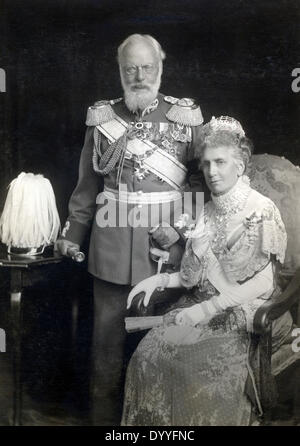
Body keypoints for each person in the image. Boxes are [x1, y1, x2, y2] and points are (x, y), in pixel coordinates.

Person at [55, 34, 204, 425]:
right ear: (120, 70)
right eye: (130, 68)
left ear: (161, 66)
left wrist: (178, 229)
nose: (139, 76)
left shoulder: (184, 117)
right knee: (106, 348)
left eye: (147, 67)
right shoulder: (103, 119)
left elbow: (202, 186)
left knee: (164, 346)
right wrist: (71, 235)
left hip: (166, 252)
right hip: (111, 251)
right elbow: (87, 189)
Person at [123, 116, 293, 426]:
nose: (212, 171)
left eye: (221, 162)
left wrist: (207, 309)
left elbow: (265, 280)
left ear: (239, 165)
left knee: (195, 371)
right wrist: (158, 279)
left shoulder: (262, 208)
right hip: (200, 305)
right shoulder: (206, 210)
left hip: (248, 310)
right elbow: (193, 276)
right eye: (206, 163)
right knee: (146, 357)